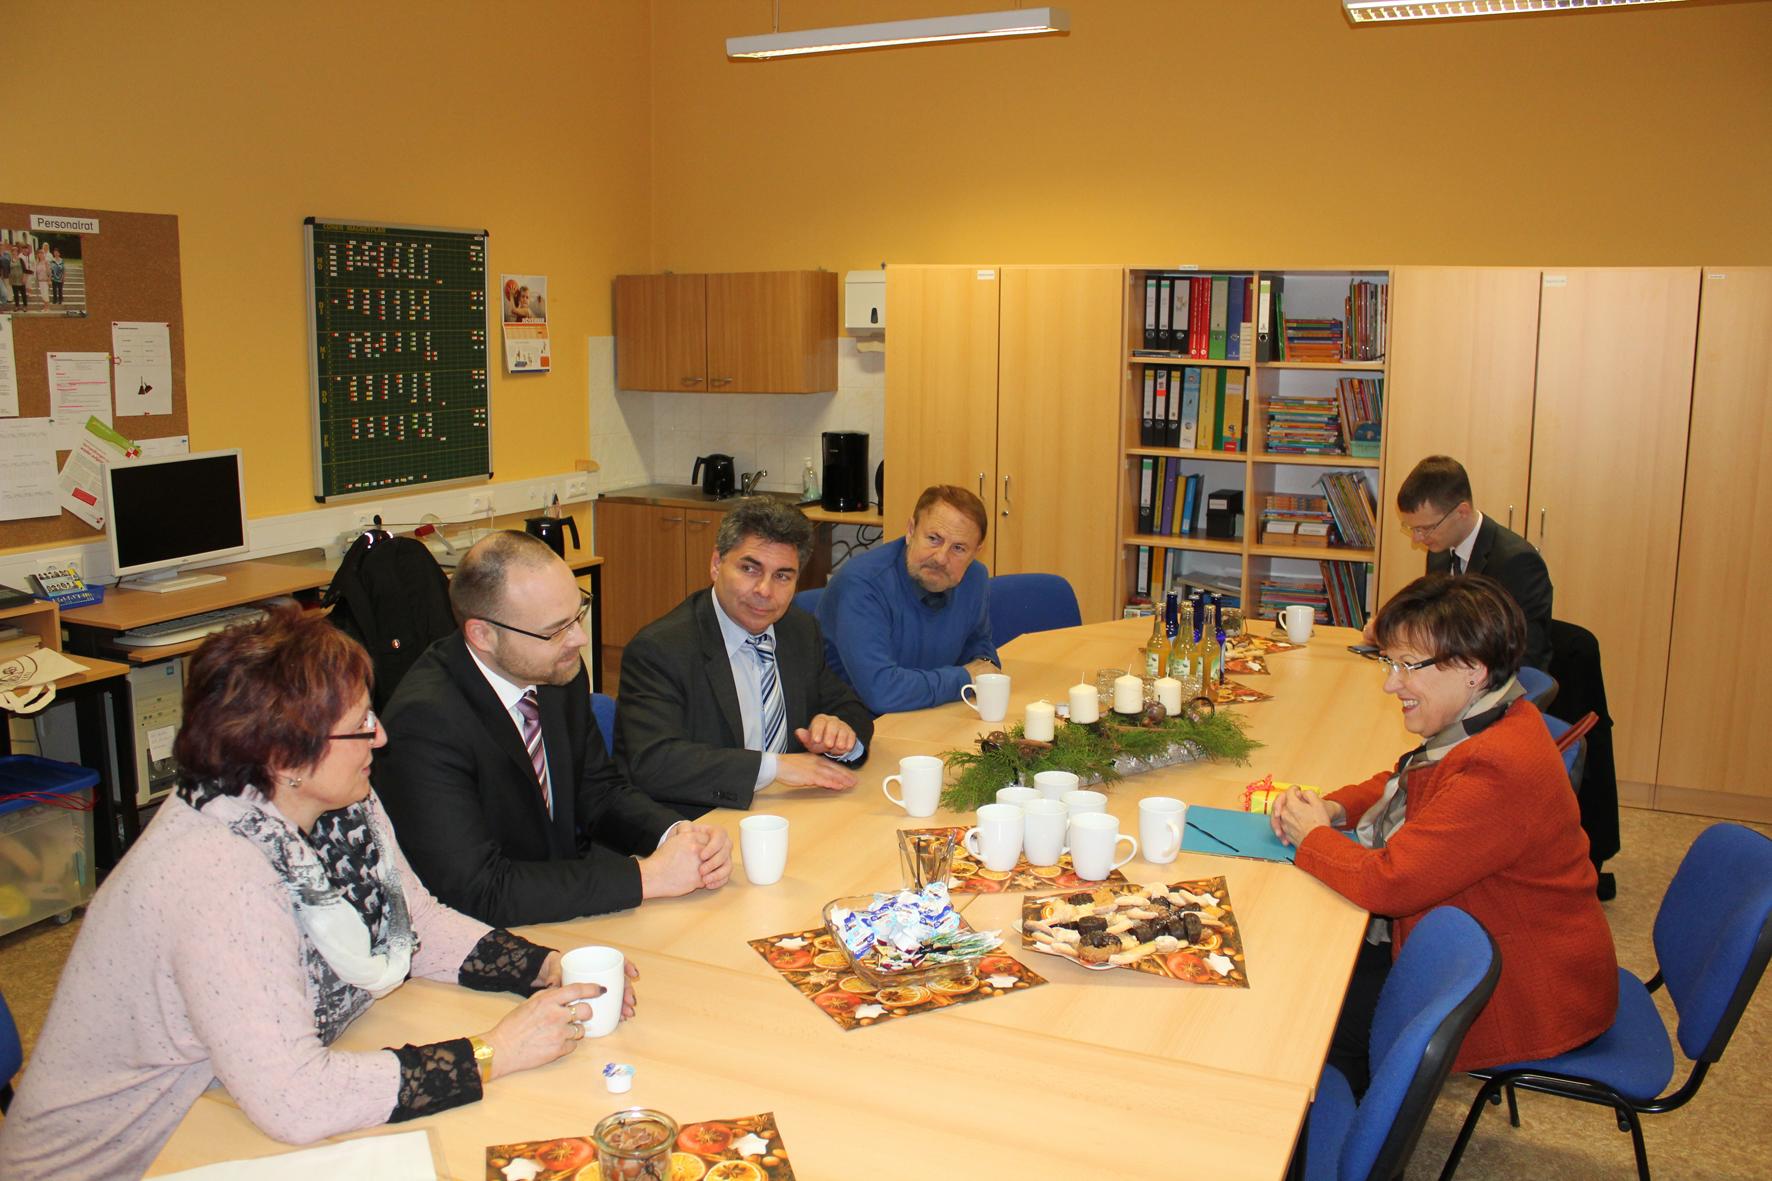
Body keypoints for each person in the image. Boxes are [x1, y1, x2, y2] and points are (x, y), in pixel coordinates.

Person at [0, 609, 637, 1181]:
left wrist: (543, 967)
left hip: (222, 1102)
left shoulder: (325, 799)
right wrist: (492, 1052)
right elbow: (294, 1100)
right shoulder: (216, 873)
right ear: (286, 757)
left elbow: (415, 923)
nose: (380, 738)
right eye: (359, 726)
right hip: (133, 1153)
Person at [1271, 574, 1616, 1097]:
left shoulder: (1498, 766)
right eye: (1390, 663)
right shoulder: (1491, 719)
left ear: (1472, 670)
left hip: (1523, 987)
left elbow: (1391, 884)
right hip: (1484, 940)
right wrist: (1337, 807)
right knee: (1304, 953)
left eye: (1408, 666)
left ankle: (1357, 1143)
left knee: (1308, 1010)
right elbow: (1405, 781)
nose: (1391, 683)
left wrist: (1313, 837)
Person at [375, 531, 730, 926]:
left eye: (578, 613)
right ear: (482, 635)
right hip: (484, 935)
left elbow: (598, 792)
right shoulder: (424, 724)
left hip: (564, 912)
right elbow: (479, 889)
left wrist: (676, 835)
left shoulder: (554, 671)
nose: (578, 638)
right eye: (555, 629)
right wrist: (646, 877)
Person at [617, 497, 874, 815]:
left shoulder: (798, 629)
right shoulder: (661, 649)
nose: (765, 591)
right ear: (716, 564)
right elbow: (655, 762)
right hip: (703, 822)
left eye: (782, 576)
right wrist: (773, 767)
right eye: (750, 569)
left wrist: (839, 730)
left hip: (787, 810)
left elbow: (850, 707)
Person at [817, 484, 999, 714]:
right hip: (854, 730)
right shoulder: (862, 585)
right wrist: (965, 677)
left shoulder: (974, 578)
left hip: (925, 715)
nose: (941, 558)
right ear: (911, 530)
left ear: (976, 551)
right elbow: (882, 692)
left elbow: (979, 647)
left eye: (959, 548)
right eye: (934, 538)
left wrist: (985, 666)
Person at [1371, 455, 1553, 672]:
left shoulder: (1518, 563)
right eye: (1412, 529)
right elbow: (1434, 626)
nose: (1417, 539)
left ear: (1462, 512)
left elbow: (1525, 657)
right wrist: (1390, 636)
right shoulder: (1439, 552)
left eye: (1426, 528)